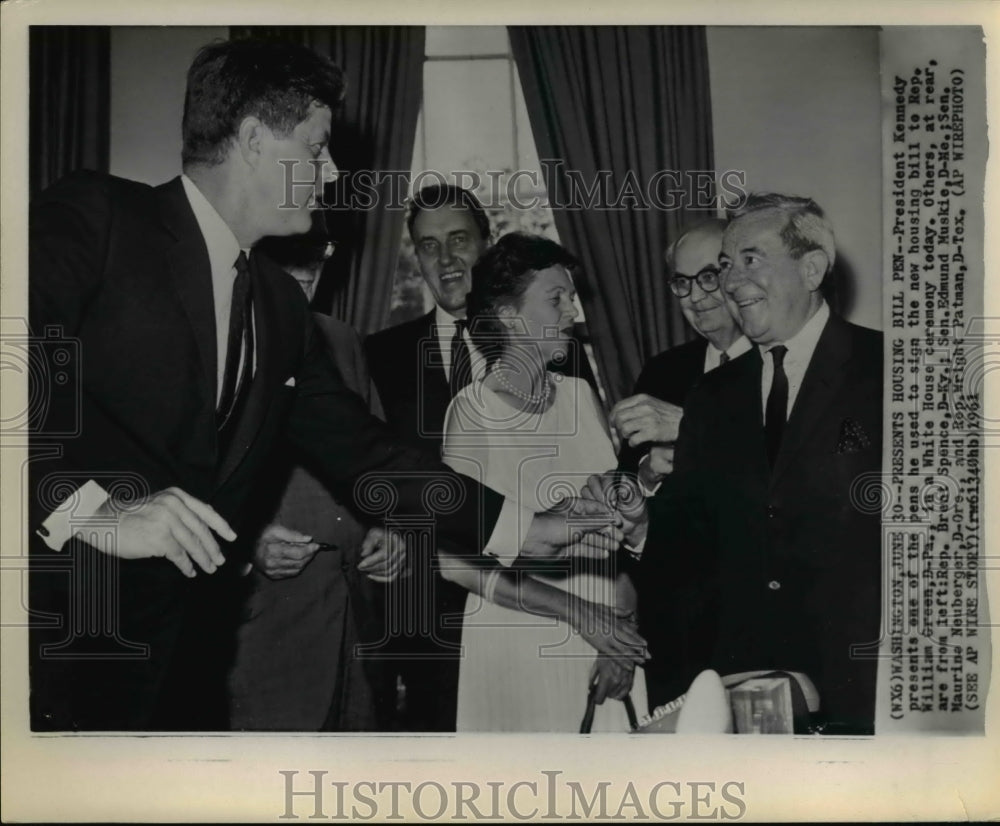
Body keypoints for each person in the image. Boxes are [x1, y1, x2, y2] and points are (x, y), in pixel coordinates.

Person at [27, 38, 617, 731]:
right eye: (314, 148)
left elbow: (370, 454)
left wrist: (524, 528)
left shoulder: (278, 305)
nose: (331, 171)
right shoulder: (99, 219)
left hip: (188, 670)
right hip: (61, 654)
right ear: (252, 140)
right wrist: (96, 511)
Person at [586, 194, 883, 734]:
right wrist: (641, 524)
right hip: (745, 684)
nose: (729, 281)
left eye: (750, 259)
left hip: (860, 678)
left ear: (811, 267)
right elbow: (690, 537)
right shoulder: (713, 394)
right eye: (726, 265)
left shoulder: (889, 372)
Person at [364, 184, 599, 731]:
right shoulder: (379, 357)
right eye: (427, 246)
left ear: (487, 244)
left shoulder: (562, 354)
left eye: (458, 239)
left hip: (554, 612)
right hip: (429, 621)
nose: (445, 259)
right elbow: (371, 475)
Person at [440, 232, 648, 732]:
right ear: (510, 317)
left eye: (571, 297)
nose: (572, 312)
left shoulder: (579, 395)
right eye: (556, 299)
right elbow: (455, 563)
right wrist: (580, 614)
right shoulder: (472, 413)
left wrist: (621, 629)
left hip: (607, 640)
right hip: (519, 645)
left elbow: (616, 535)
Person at [226, 222, 400, 731]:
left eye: (317, 256)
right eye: (288, 256)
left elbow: (376, 464)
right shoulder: (224, 337)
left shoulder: (342, 339)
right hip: (267, 622)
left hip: (357, 623)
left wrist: (391, 530)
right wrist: (247, 543)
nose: (305, 273)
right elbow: (185, 478)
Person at [613, 219, 750, 488]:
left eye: (709, 277)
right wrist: (647, 475)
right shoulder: (662, 371)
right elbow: (625, 482)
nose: (695, 297)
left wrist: (690, 428)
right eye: (682, 282)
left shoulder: (783, 359)